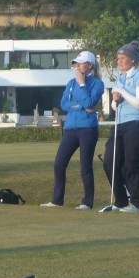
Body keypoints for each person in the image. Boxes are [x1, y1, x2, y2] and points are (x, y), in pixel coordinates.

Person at [40, 51, 104, 210]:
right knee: (59, 164)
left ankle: (87, 203)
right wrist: (80, 106)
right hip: (70, 129)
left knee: (85, 167)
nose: (77, 65)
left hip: (88, 129)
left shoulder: (97, 84)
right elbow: (64, 105)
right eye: (76, 63)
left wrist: (82, 84)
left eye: (80, 63)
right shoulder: (70, 83)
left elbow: (90, 102)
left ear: (89, 66)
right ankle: (57, 200)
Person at [102, 41, 139, 213]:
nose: (119, 61)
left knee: (132, 164)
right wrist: (115, 99)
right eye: (118, 58)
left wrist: (123, 92)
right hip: (119, 124)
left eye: (123, 58)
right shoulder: (120, 78)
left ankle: (137, 203)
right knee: (109, 162)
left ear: (133, 60)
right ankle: (120, 201)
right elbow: (115, 107)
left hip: (136, 124)